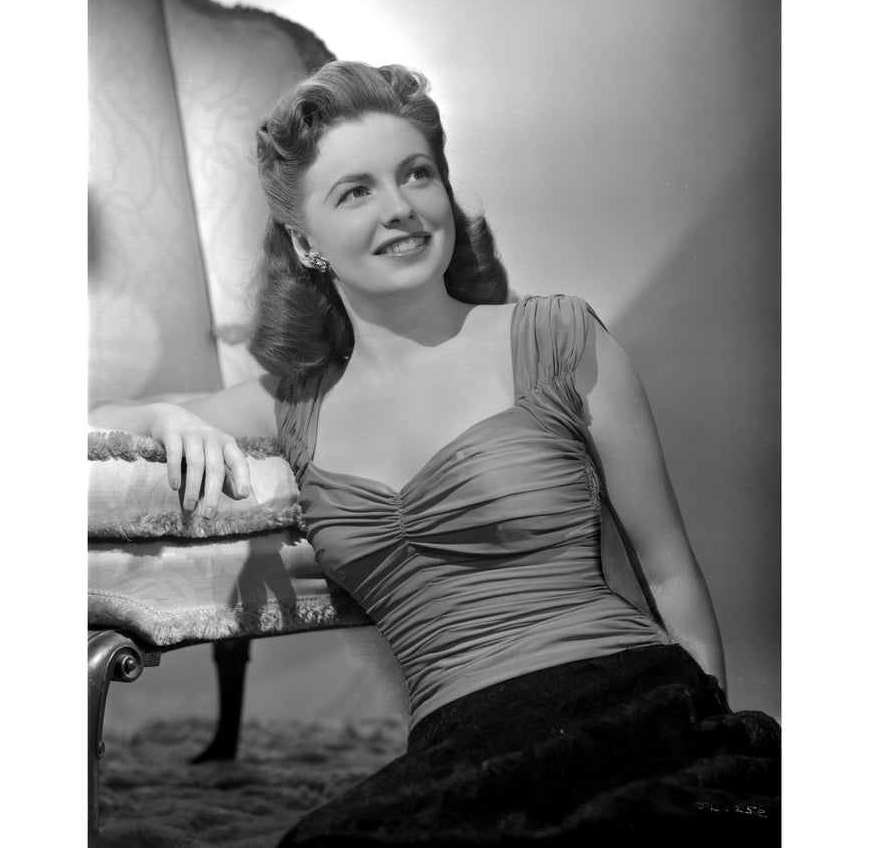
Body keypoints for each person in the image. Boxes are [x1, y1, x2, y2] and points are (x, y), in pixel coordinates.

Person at [91, 60, 780, 845]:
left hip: (633, 703)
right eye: (357, 191)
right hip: (461, 748)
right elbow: (86, 420)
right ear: (305, 240)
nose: (402, 208)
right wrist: (163, 417)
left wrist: (711, 745)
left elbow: (668, 571)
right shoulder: (295, 405)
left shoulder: (555, 336)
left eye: (416, 174)